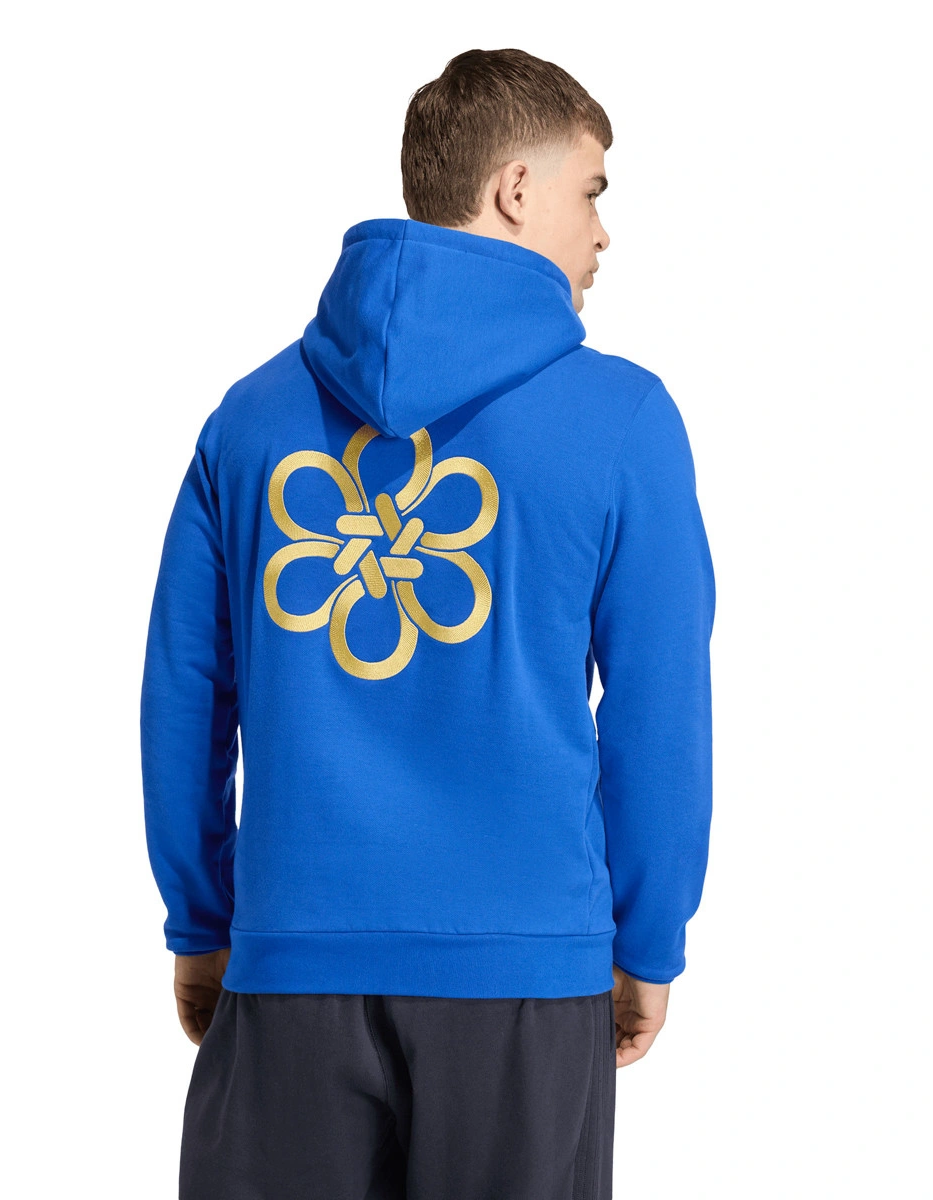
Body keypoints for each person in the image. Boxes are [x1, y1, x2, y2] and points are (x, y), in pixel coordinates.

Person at [140, 46, 716, 1200]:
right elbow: (659, 715)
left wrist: (203, 922)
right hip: (525, 980)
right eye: (592, 192)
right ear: (516, 189)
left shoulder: (248, 422)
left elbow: (188, 693)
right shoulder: (625, 420)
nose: (603, 234)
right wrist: (646, 938)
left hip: (290, 964)